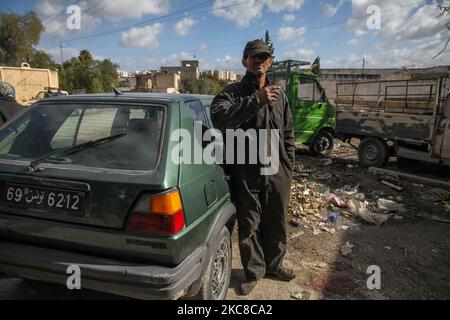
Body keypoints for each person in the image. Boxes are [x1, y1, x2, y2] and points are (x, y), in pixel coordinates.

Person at [210, 39, 296, 295]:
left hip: (277, 171)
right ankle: (254, 272)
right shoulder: (232, 93)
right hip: (247, 172)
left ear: (269, 63)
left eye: (264, 58)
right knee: (250, 224)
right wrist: (256, 100)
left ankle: (274, 265)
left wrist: (288, 166)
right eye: (254, 57)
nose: (259, 61)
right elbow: (219, 118)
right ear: (244, 61)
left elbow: (289, 133)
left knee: (277, 221)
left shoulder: (279, 95)